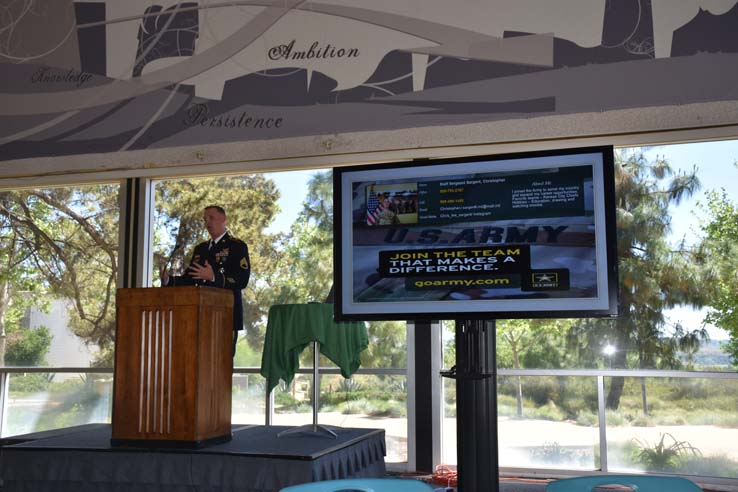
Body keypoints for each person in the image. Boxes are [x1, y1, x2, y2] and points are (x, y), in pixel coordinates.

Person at [161, 205, 250, 356]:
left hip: (225, 317)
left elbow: (242, 279)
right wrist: (169, 280)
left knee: (221, 363)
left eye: (211, 218)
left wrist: (213, 277)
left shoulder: (236, 246)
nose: (207, 222)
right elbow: (190, 279)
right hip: (199, 316)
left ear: (224, 219)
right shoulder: (200, 249)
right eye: (204, 219)